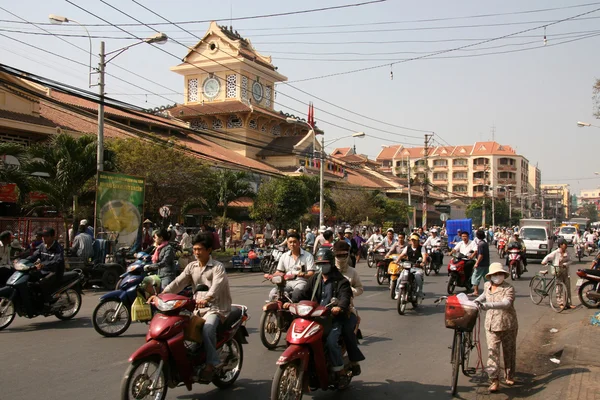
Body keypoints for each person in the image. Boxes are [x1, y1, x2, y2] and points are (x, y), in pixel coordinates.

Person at [157, 232, 232, 382]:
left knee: (208, 328)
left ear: (209, 250)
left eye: (200, 249)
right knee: (177, 325)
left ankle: (213, 363)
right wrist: (162, 294)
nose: (196, 252)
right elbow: (178, 283)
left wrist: (207, 298)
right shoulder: (192, 266)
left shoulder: (218, 268)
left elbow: (216, 287)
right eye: (195, 249)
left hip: (216, 308)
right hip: (197, 308)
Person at [291, 247, 353, 379]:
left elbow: (345, 297)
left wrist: (339, 307)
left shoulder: (341, 281)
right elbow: (304, 293)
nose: (321, 267)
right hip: (314, 317)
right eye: (319, 264)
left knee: (331, 341)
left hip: (333, 318)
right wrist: (291, 301)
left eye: (324, 264)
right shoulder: (315, 279)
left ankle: (339, 370)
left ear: (330, 263)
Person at [473, 263, 518, 393]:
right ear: (490, 276)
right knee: (492, 352)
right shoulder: (487, 286)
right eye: (495, 274)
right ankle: (494, 380)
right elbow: (483, 297)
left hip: (507, 324)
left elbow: (506, 303)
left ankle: (509, 375)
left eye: (500, 274)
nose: (498, 276)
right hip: (491, 325)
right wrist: (475, 302)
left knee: (509, 352)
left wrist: (489, 305)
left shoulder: (509, 288)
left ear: (504, 275)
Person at [332, 240, 365, 376]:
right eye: (337, 255)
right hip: (327, 309)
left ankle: (354, 360)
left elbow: (360, 289)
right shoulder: (327, 269)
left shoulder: (352, 272)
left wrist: (350, 291)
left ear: (348, 255)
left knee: (346, 331)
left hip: (347, 310)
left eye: (343, 255)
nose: (340, 258)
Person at [267, 231, 316, 300]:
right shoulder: (284, 256)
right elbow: (279, 271)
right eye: (290, 242)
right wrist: (272, 276)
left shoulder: (308, 256)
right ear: (287, 243)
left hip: (301, 282)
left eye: (294, 242)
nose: (292, 244)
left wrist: (303, 275)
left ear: (299, 242)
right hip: (287, 283)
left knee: (296, 295)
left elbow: (312, 273)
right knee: (273, 294)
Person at [25, 227, 65, 305]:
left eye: (46, 236)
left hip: (54, 272)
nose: (43, 238)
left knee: (42, 282)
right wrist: (23, 261)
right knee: (29, 277)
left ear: (53, 237)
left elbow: (57, 261)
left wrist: (43, 264)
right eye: (43, 236)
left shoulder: (58, 248)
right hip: (43, 270)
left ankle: (47, 302)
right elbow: (34, 256)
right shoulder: (42, 246)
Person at [542, 238, 575, 309]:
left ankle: (568, 303)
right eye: (564, 244)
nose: (566, 246)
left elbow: (571, 260)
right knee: (559, 288)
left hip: (565, 272)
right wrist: (544, 261)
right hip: (557, 271)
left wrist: (566, 264)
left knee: (567, 287)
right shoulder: (556, 252)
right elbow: (548, 257)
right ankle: (560, 303)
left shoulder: (567, 252)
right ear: (560, 245)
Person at [398, 234, 427, 300]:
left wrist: (423, 262)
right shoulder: (407, 247)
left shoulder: (421, 248)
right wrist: (397, 261)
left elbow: (424, 256)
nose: (413, 242)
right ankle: (397, 292)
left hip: (417, 267)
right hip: (408, 266)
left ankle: (419, 292)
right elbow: (401, 255)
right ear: (410, 241)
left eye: (415, 240)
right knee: (401, 277)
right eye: (412, 240)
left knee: (418, 276)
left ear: (418, 241)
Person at [472, 229, 490, 297]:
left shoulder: (480, 244)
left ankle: (475, 291)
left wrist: (477, 263)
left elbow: (480, 255)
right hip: (486, 263)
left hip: (481, 264)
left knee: (475, 277)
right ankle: (488, 291)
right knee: (486, 278)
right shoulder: (485, 243)